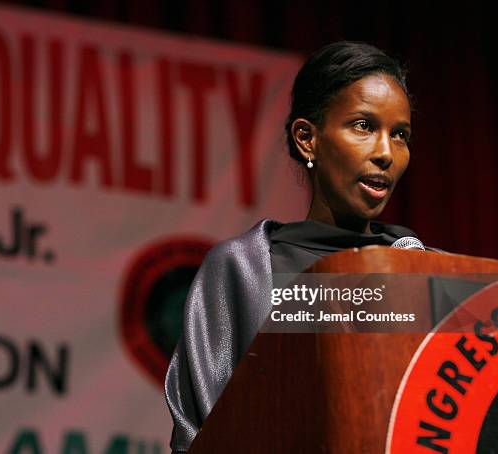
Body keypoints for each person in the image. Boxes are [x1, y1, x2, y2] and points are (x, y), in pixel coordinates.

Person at [164, 41, 425, 453]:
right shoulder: (246, 268)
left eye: (400, 135)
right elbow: (200, 432)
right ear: (307, 139)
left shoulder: (418, 268)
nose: (385, 153)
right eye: (363, 126)